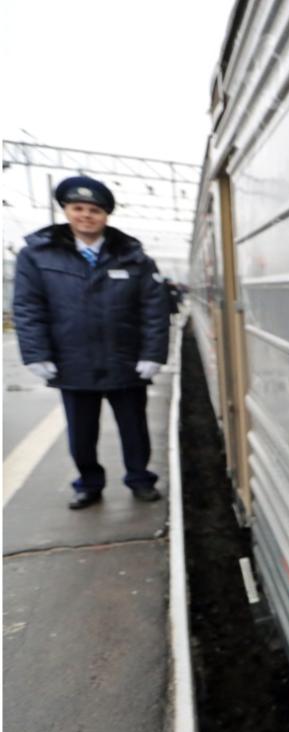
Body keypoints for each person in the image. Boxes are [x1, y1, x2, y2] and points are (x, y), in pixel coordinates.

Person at [12, 175, 170, 509]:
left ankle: (140, 479)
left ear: (106, 215)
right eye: (78, 208)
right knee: (81, 433)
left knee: (134, 428)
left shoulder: (133, 257)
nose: (86, 215)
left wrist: (153, 354)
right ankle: (89, 483)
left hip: (125, 359)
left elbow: (154, 309)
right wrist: (37, 354)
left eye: (94, 210)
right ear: (66, 211)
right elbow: (28, 307)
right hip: (72, 360)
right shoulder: (37, 256)